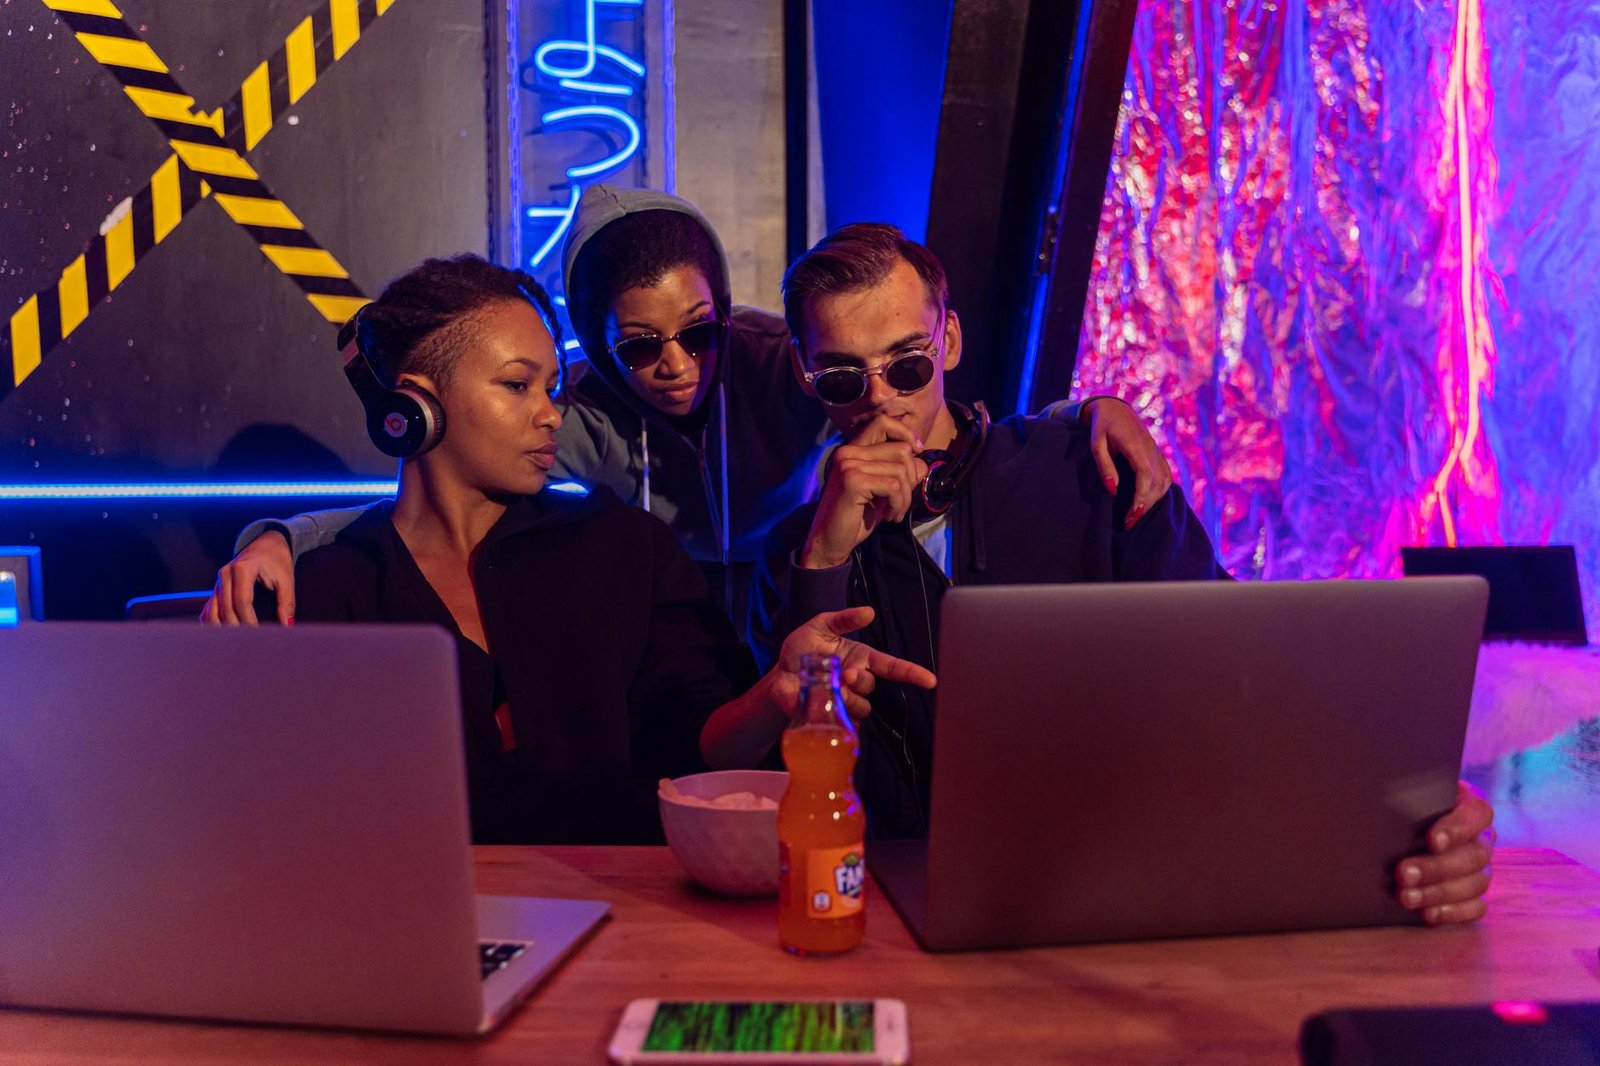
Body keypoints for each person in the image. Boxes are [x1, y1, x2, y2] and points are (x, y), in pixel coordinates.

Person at [748, 222, 1495, 925]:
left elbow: (1245, 666)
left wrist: (1404, 804)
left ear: (950, 343)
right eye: (845, 379)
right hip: (878, 909)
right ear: (807, 377)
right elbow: (772, 778)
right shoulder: (796, 549)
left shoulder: (1088, 469)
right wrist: (823, 564)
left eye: (907, 365)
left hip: (1132, 888)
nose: (882, 399)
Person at [202, 186, 1174, 628]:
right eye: (640, 347)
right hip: (725, 605)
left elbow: (926, 403)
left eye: (697, 333)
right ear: (594, 345)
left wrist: (1078, 413)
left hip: (776, 593)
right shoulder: (567, 410)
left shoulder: (769, 362)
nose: (676, 366)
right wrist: (288, 534)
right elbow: (444, 495)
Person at [288, 254, 933, 845]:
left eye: (551, 388)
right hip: (417, 934)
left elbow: (698, 743)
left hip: (630, 925)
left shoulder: (626, 549)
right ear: (416, 402)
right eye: (518, 386)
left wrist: (773, 696)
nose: (551, 415)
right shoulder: (325, 591)